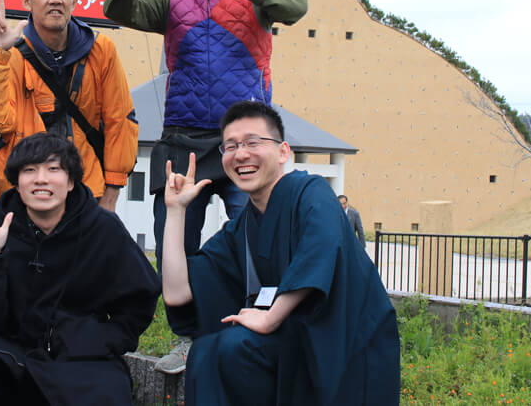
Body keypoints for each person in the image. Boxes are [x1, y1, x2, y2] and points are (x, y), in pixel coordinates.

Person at [104, 0, 307, 371]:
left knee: (257, 237)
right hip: (183, 140)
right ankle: (189, 337)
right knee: (177, 241)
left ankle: (259, 325)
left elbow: (297, 5)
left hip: (246, 143)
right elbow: (116, 6)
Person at [161, 101, 399, 405]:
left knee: (234, 347)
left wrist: (270, 318)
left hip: (344, 344)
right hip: (293, 345)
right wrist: (176, 211)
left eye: (252, 142)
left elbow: (321, 247)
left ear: (283, 152)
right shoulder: (241, 228)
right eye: (230, 146)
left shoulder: (310, 191)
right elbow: (178, 293)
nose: (241, 153)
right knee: (207, 352)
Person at [0, 132, 160, 406]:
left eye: (53, 169)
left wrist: (99, 339)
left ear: (71, 181)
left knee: (106, 391)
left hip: (81, 355)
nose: (41, 179)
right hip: (14, 349)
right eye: (30, 171)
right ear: (17, 184)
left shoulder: (103, 229)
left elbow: (139, 300)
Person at [0, 0, 138, 213]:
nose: (55, 0)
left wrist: (111, 197)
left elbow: (120, 122)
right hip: (20, 192)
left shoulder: (101, 49)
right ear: (26, 0)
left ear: (76, 0)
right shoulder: (9, 53)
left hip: (85, 192)